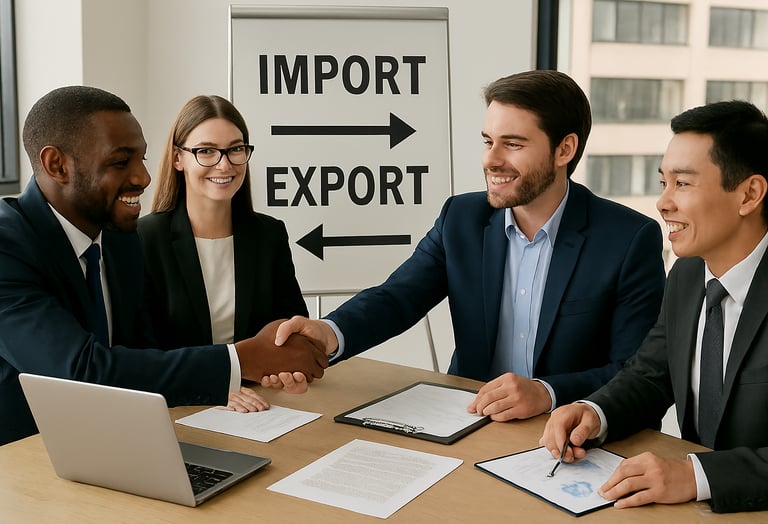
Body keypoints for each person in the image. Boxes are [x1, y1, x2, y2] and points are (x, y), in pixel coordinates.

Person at [268, 70, 666, 420]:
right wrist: (329, 331)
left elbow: (635, 370)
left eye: (512, 144)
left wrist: (546, 393)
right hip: (469, 421)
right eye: (487, 141)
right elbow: (398, 297)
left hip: (571, 432)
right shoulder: (462, 218)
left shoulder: (628, 240)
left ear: (564, 149)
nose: (491, 160)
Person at [0, 85, 327, 446]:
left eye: (141, 158)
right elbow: (78, 371)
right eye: (121, 162)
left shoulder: (120, 239)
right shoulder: (8, 243)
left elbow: (142, 354)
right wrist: (237, 362)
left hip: (120, 440)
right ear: (56, 165)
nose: (143, 177)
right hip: (22, 456)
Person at [540, 100, 768, 513]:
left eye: (682, 184)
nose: (663, 203)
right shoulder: (686, 275)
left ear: (749, 194)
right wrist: (595, 411)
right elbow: (650, 375)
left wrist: (696, 475)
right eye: (663, 182)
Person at [138, 95, 309, 412]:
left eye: (235, 149)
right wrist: (213, 383)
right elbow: (139, 352)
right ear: (178, 158)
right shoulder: (143, 239)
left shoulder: (268, 234)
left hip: (261, 405)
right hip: (177, 406)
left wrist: (290, 368)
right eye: (206, 151)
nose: (224, 164)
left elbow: (291, 326)